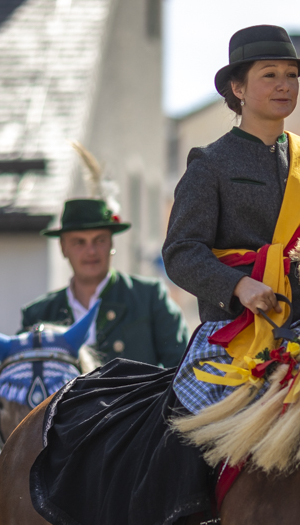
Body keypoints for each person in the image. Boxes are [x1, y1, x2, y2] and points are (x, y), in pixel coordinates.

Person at [142, 24, 300, 525]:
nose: (284, 86)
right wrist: (239, 286)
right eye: (269, 76)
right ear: (237, 88)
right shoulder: (209, 163)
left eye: (291, 76)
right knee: (183, 417)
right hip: (233, 332)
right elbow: (180, 253)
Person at [20, 145, 189, 368]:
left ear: (111, 243)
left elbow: (182, 371)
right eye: (79, 242)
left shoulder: (150, 298)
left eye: (99, 240)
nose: (91, 251)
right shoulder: (38, 314)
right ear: (63, 248)